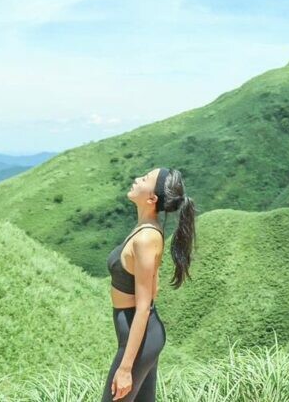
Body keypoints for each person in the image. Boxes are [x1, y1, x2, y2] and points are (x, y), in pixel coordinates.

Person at [102, 166, 197, 401]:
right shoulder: (147, 230)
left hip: (140, 334)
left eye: (144, 179)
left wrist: (125, 369)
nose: (136, 179)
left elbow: (143, 307)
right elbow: (154, 287)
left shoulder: (145, 238)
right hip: (143, 335)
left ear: (152, 198)